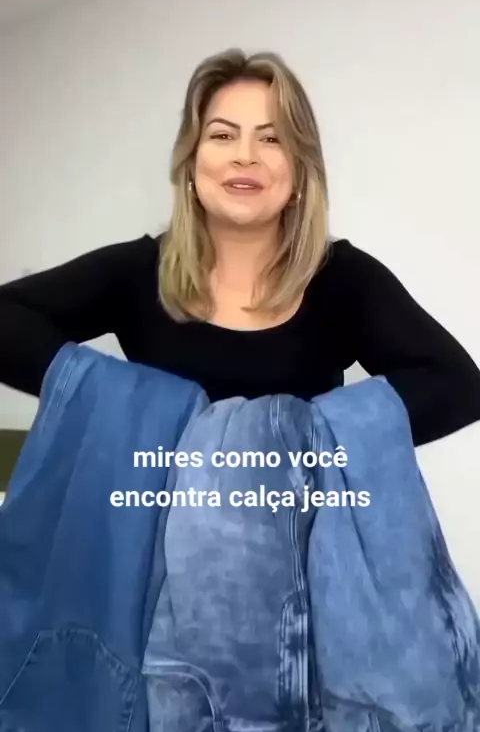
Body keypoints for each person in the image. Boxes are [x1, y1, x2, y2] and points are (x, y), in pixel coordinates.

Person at [0, 48, 479, 448]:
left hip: (295, 530)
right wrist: (130, 400)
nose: (244, 155)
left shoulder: (345, 279)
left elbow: (457, 386)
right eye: (223, 135)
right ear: (191, 164)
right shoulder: (138, 269)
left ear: (299, 172)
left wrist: (303, 435)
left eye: (271, 138)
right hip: (149, 527)